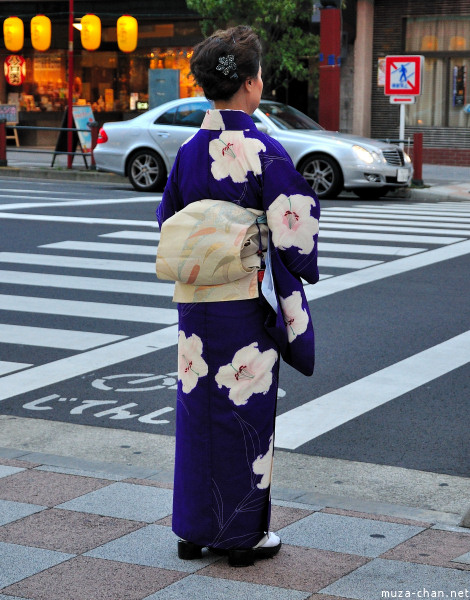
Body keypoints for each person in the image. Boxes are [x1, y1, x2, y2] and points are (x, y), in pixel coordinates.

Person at [156, 25, 320, 567]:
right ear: (251, 84)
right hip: (245, 306)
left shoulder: (186, 149)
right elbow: (294, 228)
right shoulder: (263, 149)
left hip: (196, 307)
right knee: (245, 411)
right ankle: (242, 538)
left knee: (197, 411)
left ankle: (193, 531)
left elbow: (167, 219)